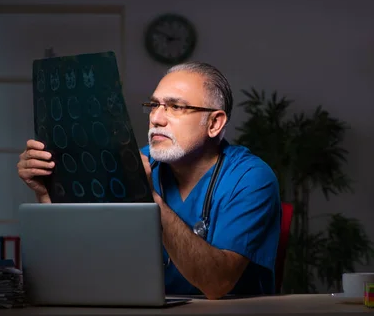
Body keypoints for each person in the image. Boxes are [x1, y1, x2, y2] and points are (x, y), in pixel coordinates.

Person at [17, 61, 282, 300]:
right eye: (154, 105)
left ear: (214, 123)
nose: (156, 118)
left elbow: (217, 283)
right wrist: (45, 192)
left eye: (176, 107)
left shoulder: (250, 178)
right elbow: (80, 260)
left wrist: (149, 197)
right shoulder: (137, 163)